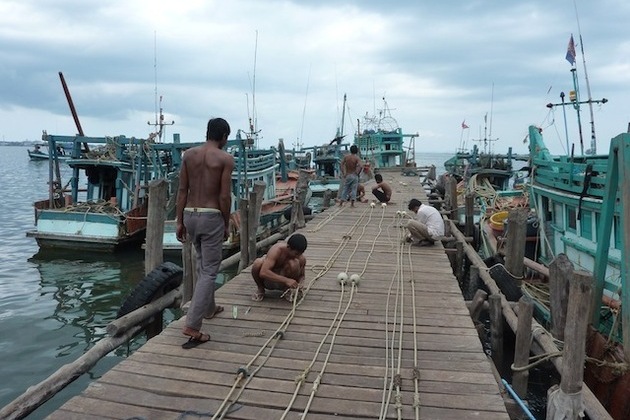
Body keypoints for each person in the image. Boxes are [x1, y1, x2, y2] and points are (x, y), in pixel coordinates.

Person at [176, 117, 234, 349]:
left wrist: (179, 221)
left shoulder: (188, 155)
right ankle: (193, 324)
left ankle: (209, 308)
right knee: (210, 271)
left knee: (203, 265)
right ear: (224, 137)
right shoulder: (225, 159)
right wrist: (226, 221)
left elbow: (182, 190)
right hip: (211, 215)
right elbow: (224, 196)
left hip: (190, 213)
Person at [251, 233, 307, 302]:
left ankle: (287, 290)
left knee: (294, 263)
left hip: (285, 281)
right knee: (257, 263)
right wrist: (286, 280)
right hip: (269, 279)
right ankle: (260, 288)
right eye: (296, 254)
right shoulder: (276, 250)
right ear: (288, 247)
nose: (297, 256)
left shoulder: (301, 258)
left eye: (300, 254)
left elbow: (302, 276)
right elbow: (263, 272)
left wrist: (301, 283)